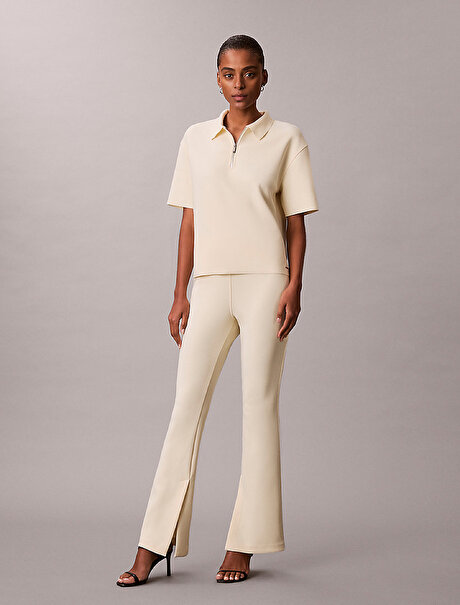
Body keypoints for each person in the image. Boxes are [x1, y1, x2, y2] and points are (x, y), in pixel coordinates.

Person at [117, 33, 319, 587]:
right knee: (185, 408)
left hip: (266, 284)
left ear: (264, 77)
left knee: (259, 408)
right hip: (208, 286)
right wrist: (179, 292)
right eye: (229, 74)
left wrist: (294, 285)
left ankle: (244, 543)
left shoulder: (287, 139)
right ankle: (154, 541)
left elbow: (296, 223)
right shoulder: (195, 139)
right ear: (217, 78)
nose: (239, 84)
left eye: (249, 73)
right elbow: (188, 222)